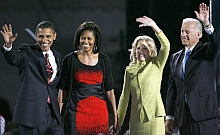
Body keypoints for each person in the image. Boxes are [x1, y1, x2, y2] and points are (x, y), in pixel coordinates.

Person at [165, 3, 220, 135]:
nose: (183, 34)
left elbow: (215, 42)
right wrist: (169, 117)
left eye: (187, 32)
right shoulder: (175, 57)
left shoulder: (206, 52)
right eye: (182, 31)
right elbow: (172, 90)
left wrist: (207, 24)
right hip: (184, 118)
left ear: (199, 34)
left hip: (204, 116)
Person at [1, 21, 64, 135]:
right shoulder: (28, 52)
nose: (44, 40)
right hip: (31, 114)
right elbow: (14, 58)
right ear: (36, 36)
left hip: (52, 114)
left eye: (48, 36)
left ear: (54, 36)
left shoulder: (57, 56)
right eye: (41, 36)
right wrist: (8, 46)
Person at [58, 21, 119, 135]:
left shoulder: (104, 60)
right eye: (83, 38)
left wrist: (115, 117)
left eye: (89, 39)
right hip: (75, 113)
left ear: (95, 40)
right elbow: (63, 90)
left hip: (99, 114)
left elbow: (110, 91)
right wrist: (57, 116)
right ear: (78, 39)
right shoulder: (70, 60)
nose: (85, 41)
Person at [117, 16, 170, 135]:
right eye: (138, 48)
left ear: (150, 50)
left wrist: (154, 26)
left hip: (155, 117)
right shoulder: (129, 70)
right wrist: (118, 122)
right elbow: (124, 98)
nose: (140, 51)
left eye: (144, 48)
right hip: (137, 119)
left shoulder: (156, 64)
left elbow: (166, 45)